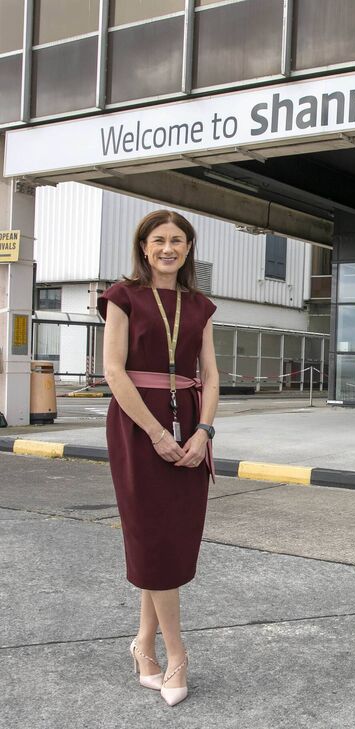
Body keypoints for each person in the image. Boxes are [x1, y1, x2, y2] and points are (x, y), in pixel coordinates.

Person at [99, 210, 219, 707]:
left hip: (189, 425)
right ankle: (177, 653)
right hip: (137, 426)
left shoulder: (200, 305)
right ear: (144, 247)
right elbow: (113, 370)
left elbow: (210, 376)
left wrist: (203, 433)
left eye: (178, 240)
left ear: (188, 249)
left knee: (168, 541)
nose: (168, 248)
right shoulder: (122, 296)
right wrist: (154, 433)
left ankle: (143, 645)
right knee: (151, 537)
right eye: (159, 240)